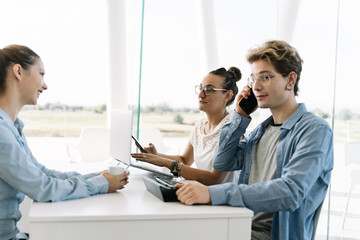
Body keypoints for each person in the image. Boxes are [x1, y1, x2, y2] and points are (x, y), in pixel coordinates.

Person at [175, 40, 334, 240]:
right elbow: (223, 162)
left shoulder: (314, 130)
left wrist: (212, 194)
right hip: (239, 228)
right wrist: (240, 115)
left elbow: (290, 192)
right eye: (253, 79)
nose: (256, 86)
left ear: (290, 80)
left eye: (266, 77)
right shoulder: (261, 131)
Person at [0, 44, 129, 240]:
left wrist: (98, 177)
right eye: (41, 74)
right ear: (18, 71)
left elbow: (42, 172)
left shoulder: (12, 126)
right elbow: (43, 188)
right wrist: (101, 184)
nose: (45, 85)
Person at [131, 67, 241, 185]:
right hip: (201, 193)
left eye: (209, 90)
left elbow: (214, 179)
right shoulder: (199, 126)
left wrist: (163, 162)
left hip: (222, 197)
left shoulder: (232, 130)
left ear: (228, 95)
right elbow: (184, 160)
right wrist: (156, 156)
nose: (201, 94)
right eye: (200, 88)